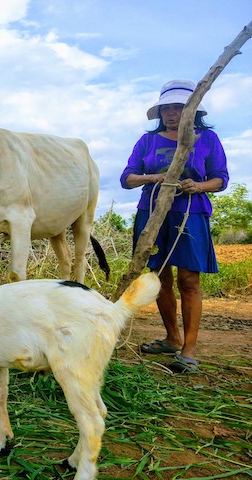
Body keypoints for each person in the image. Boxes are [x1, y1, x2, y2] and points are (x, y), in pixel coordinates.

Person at [120, 79, 229, 374]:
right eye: (166, 109)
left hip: (190, 212)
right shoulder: (147, 141)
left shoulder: (207, 140)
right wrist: (154, 178)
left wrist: (199, 185)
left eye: (178, 108)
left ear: (193, 110)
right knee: (160, 279)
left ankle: (189, 349)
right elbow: (127, 178)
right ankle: (172, 337)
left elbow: (221, 178)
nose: (171, 113)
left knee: (189, 281)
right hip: (152, 213)